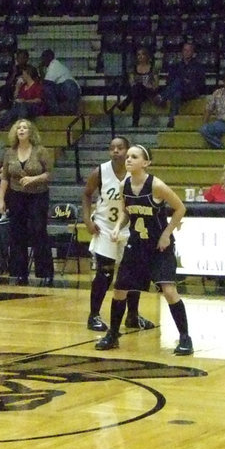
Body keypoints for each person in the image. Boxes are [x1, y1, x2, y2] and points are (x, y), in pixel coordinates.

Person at [96, 145, 191, 355]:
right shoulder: (125, 185)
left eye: (134, 157)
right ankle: (112, 335)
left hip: (159, 246)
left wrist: (167, 234)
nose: (128, 159)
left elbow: (180, 208)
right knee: (120, 289)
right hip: (136, 244)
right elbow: (125, 210)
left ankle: (185, 338)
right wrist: (117, 226)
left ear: (145, 163)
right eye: (127, 156)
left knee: (169, 291)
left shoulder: (156, 185)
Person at [82, 137, 141, 333]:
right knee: (104, 272)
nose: (116, 151)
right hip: (105, 227)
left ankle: (132, 315)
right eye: (112, 148)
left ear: (128, 150)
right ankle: (94, 315)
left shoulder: (136, 172)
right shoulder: (100, 171)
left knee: (131, 273)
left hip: (128, 228)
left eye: (120, 147)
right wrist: (87, 220)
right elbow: (87, 194)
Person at [0, 118, 54, 285]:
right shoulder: (9, 153)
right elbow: (4, 177)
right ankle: (19, 272)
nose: (21, 130)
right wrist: (1, 199)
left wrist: (34, 179)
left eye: (24, 128)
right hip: (16, 195)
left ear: (31, 132)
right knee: (17, 233)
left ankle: (44, 272)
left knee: (38, 230)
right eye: (19, 128)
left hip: (38, 195)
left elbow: (49, 174)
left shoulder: (40, 151)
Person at [160, 41, 205, 128]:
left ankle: (162, 96)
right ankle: (172, 120)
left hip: (192, 91)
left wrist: (189, 83)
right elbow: (169, 81)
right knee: (177, 93)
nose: (187, 52)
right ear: (182, 52)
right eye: (185, 50)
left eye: (189, 50)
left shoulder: (198, 67)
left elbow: (201, 84)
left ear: (193, 52)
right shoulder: (175, 66)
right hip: (179, 91)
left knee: (179, 82)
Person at [118, 48, 159, 128]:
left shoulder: (153, 68)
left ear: (147, 56)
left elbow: (156, 85)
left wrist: (148, 85)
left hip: (149, 92)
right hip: (137, 92)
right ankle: (135, 121)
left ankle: (125, 103)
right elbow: (132, 83)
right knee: (137, 92)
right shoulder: (133, 69)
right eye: (138, 55)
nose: (140, 57)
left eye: (143, 54)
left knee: (138, 88)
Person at [40, 49, 82, 115]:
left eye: (44, 58)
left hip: (69, 89)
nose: (43, 60)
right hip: (68, 90)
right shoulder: (55, 65)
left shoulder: (53, 65)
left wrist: (40, 69)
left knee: (47, 88)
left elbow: (46, 83)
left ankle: (55, 110)